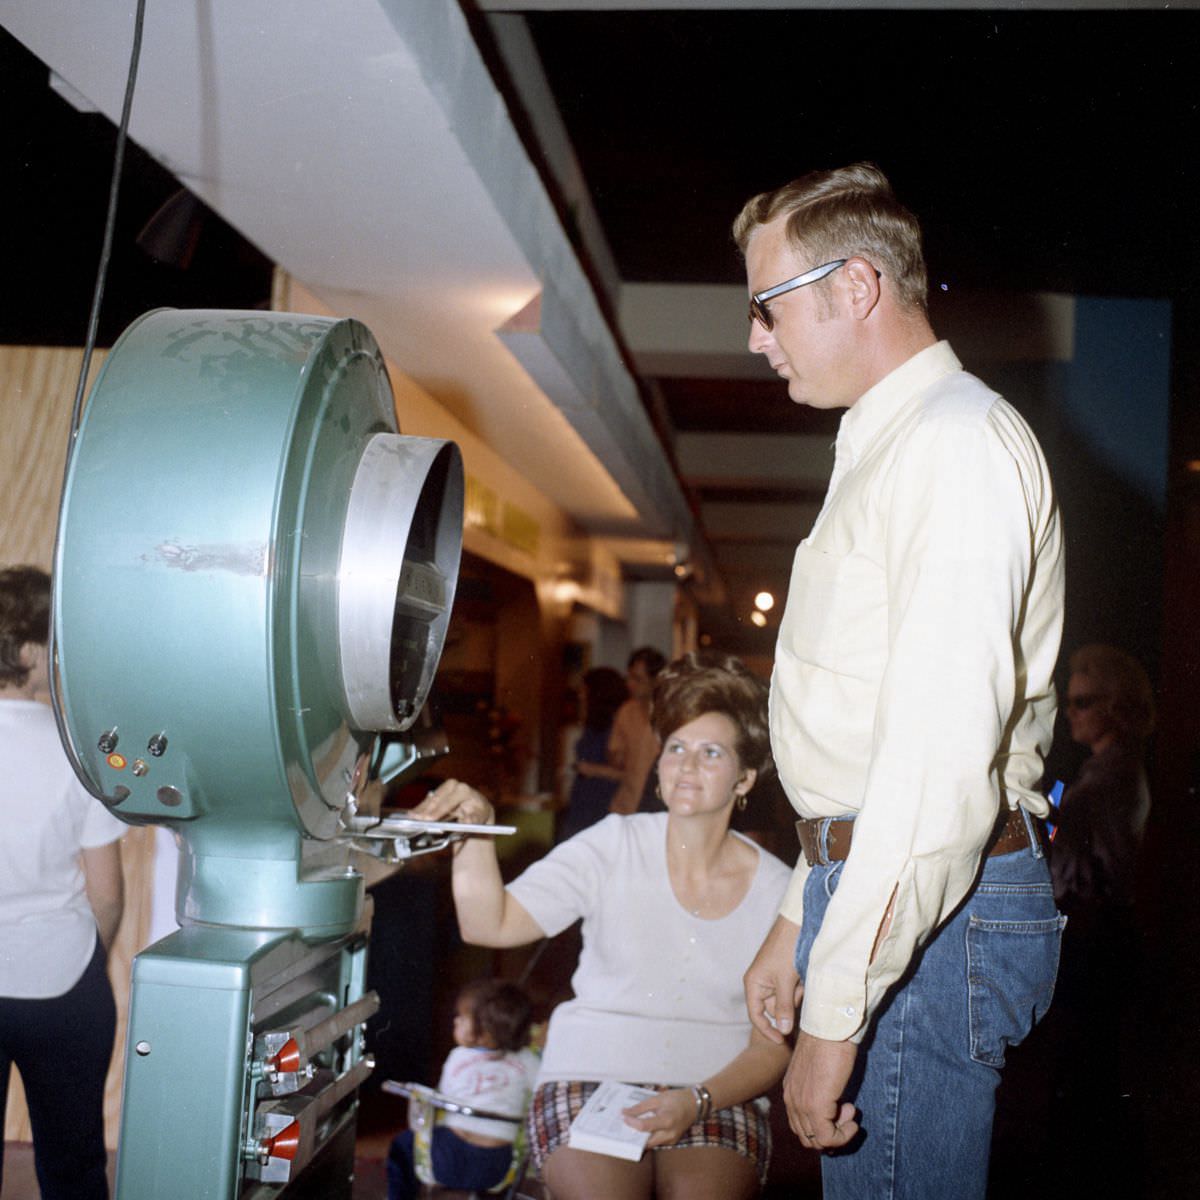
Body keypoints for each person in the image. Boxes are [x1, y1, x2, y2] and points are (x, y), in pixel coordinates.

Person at [734, 163, 1066, 1199]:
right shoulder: (896, 441)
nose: (755, 338)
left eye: (766, 306)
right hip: (895, 899)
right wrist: (801, 917)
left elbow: (932, 769)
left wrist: (838, 1012)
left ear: (858, 285)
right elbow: (869, 738)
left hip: (933, 915)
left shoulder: (952, 445)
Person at [411, 653, 792, 1199]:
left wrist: (696, 1101)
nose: (687, 765)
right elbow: (487, 923)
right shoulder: (613, 843)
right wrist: (475, 829)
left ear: (745, 778)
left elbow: (771, 1047)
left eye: (711, 753)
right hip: (589, 1072)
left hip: (716, 1090)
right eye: (676, 748)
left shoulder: (779, 891)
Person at [0, 565, 126, 1200]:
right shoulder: (77, 746)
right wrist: (89, 960)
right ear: (27, 652)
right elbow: (106, 891)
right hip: (63, 981)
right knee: (73, 1166)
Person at [1046, 644, 1154, 1185]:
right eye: (1071, 703)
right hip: (1090, 933)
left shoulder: (1114, 775)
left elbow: (1109, 868)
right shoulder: (1093, 770)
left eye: (1084, 701)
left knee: (1089, 1071)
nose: (1072, 713)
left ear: (1115, 704)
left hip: (1096, 934)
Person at [386, 977, 539, 1200]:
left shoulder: (457, 1056)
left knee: (401, 1147)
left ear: (485, 1030)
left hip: (444, 1157)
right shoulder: (527, 1060)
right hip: (497, 1165)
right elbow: (540, 1091)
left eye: (463, 1018)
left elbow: (441, 1100)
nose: (456, 1021)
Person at [558, 666, 629, 841]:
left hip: (602, 802)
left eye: (585, 692)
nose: (581, 696)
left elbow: (626, 773)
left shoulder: (617, 726)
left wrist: (592, 769)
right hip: (582, 802)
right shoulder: (592, 726)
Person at [608, 645, 666, 815]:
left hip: (657, 809)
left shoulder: (669, 713)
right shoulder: (626, 712)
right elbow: (616, 758)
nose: (630, 684)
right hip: (626, 806)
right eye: (629, 677)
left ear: (656, 680)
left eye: (637, 679)